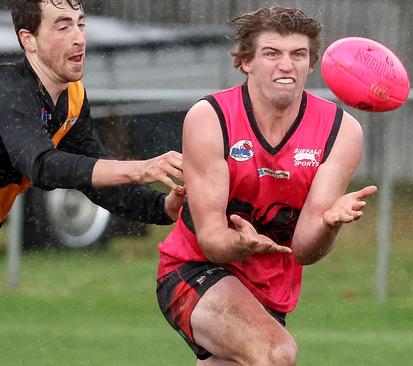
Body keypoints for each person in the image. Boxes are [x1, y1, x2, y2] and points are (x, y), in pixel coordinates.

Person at [156, 6, 377, 365]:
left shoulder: (341, 131)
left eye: (298, 55)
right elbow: (211, 240)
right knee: (276, 352)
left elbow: (304, 250)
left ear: (311, 64)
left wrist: (329, 224)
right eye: (272, 53)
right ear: (246, 62)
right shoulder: (211, 118)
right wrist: (241, 244)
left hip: (268, 291)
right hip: (193, 270)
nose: (286, 65)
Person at [0, 0, 185, 227]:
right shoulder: (8, 89)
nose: (80, 38)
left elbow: (98, 182)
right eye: (64, 27)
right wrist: (143, 168)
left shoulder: (72, 97)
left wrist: (162, 206)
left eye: (81, 24)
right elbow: (43, 166)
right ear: (28, 40)